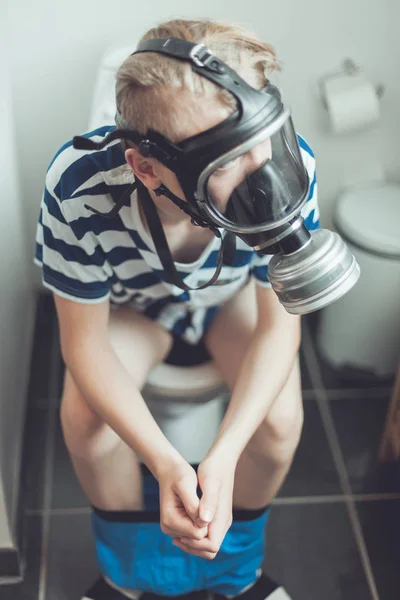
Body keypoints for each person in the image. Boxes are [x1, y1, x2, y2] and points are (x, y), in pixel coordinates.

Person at [34, 18, 319, 600]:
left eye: (261, 136)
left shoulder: (290, 170)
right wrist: (167, 464)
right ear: (145, 166)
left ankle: (236, 569)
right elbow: (83, 343)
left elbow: (279, 332)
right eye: (224, 162)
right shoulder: (77, 187)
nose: (260, 174)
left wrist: (222, 456)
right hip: (136, 309)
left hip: (232, 302)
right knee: (85, 425)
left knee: (281, 422)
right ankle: (128, 574)